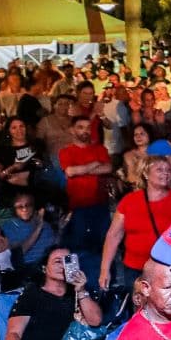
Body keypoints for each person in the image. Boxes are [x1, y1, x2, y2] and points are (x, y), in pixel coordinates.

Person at [99, 149, 171, 294]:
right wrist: (105, 270)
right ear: (145, 174)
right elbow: (113, 236)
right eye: (159, 169)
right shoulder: (129, 201)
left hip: (169, 268)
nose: (165, 173)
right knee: (140, 310)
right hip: (136, 269)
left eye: (168, 170)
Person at [58, 114, 115, 270]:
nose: (85, 131)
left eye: (88, 128)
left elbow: (108, 168)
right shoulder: (66, 151)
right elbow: (70, 171)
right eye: (80, 127)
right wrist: (95, 164)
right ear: (72, 130)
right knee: (78, 249)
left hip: (100, 206)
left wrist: (81, 170)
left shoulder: (100, 148)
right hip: (77, 207)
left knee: (102, 246)